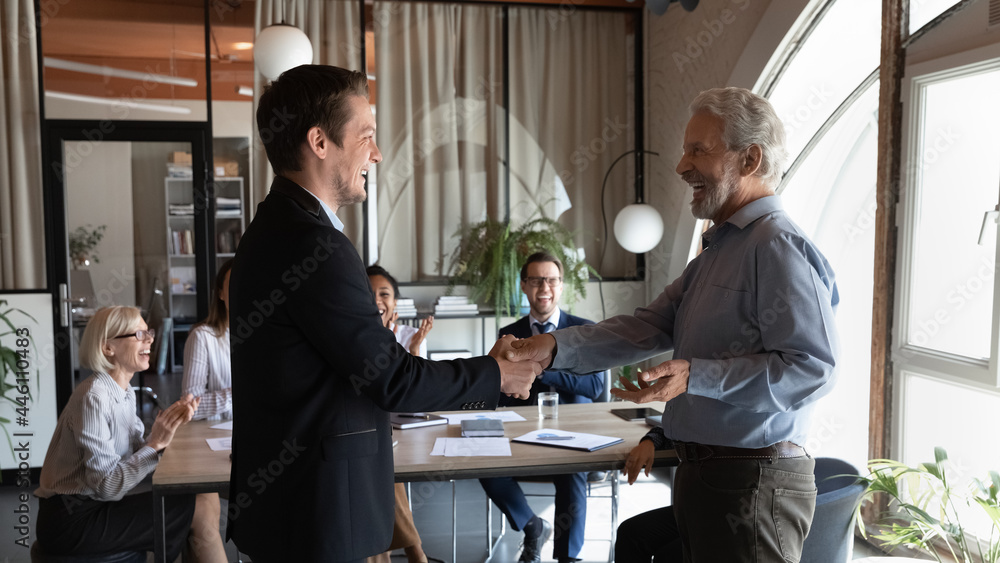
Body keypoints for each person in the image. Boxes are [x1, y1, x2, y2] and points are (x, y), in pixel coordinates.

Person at [507, 87, 840, 562]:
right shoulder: (717, 250)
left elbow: (812, 369)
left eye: (698, 150)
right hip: (706, 475)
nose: (682, 166)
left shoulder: (778, 246)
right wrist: (549, 347)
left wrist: (694, 375)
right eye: (686, 149)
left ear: (749, 159)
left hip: (751, 483)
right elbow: (646, 327)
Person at [227, 64, 539, 563]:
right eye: (366, 135)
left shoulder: (270, 230)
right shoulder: (315, 245)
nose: (376, 152)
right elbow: (390, 380)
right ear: (319, 141)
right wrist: (495, 373)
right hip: (319, 516)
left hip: (291, 507)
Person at [34, 306, 226, 562]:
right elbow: (107, 486)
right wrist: (156, 443)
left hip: (97, 507)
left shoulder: (124, 392)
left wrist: (170, 426)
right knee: (200, 508)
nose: (149, 339)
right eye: (138, 334)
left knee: (205, 496)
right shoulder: (94, 396)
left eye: (149, 333)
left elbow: (139, 452)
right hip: (71, 521)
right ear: (107, 348)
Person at [479, 252, 603, 563]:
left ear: (561, 286)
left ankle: (567, 557)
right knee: (483, 464)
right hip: (522, 433)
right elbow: (502, 391)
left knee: (572, 472)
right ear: (524, 286)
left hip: (573, 437)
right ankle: (533, 526)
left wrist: (544, 366)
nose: (543, 287)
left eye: (551, 280)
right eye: (536, 280)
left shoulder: (584, 331)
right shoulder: (508, 334)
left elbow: (594, 387)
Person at [366, 264, 434, 563]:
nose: (378, 300)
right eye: (369, 294)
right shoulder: (349, 339)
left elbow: (418, 402)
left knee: (381, 475)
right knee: (382, 476)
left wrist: (415, 352)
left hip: (405, 436)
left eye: (384, 294)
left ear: (395, 301)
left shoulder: (409, 335)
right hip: (372, 436)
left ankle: (410, 552)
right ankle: (415, 551)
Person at [182, 258, 233, 421]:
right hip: (215, 436)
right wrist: (240, 392)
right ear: (221, 294)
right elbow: (190, 408)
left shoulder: (270, 338)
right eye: (233, 285)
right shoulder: (202, 337)